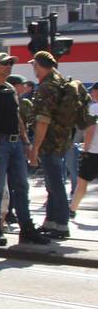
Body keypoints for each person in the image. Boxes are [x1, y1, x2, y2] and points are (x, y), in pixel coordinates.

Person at [0, 54, 50, 246]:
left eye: (10, 63)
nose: (9, 66)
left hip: (14, 143)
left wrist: (25, 142)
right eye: (5, 63)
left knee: (22, 186)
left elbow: (17, 119)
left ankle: (26, 229)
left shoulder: (10, 89)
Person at [29, 51, 75, 239]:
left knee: (55, 184)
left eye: (34, 65)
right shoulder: (60, 81)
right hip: (62, 139)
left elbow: (43, 120)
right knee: (53, 183)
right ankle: (51, 221)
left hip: (49, 142)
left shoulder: (47, 86)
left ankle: (62, 225)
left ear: (38, 65)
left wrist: (35, 147)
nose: (33, 68)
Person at [70, 83, 98, 217]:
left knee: (82, 182)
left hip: (94, 151)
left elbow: (90, 130)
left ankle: (72, 209)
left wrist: (85, 149)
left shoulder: (94, 108)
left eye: (93, 91)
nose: (91, 94)